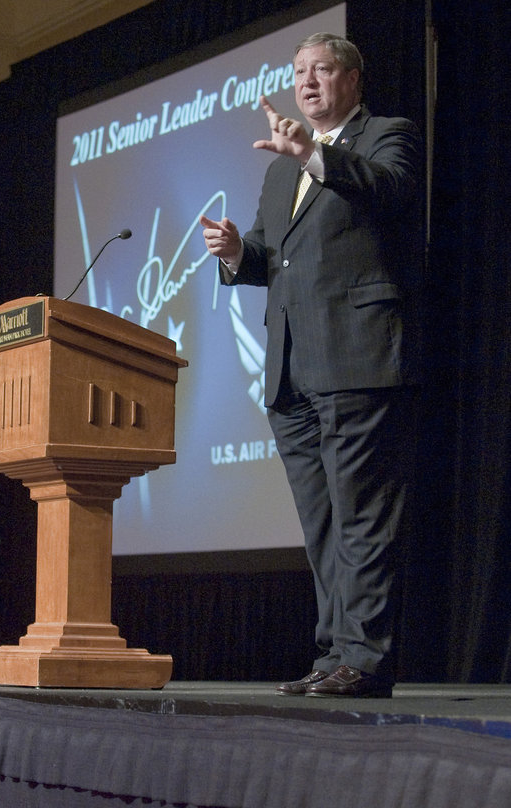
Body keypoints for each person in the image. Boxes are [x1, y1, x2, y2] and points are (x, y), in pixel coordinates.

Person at [200, 33, 421, 697]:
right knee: (322, 524)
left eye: (322, 69)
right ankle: (333, 656)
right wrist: (238, 251)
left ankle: (366, 658)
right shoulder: (279, 172)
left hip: (357, 359)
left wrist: (313, 153)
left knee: (361, 519)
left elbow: (390, 190)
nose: (308, 82)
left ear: (353, 78)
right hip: (292, 370)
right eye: (299, 71)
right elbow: (273, 257)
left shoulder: (388, 135)